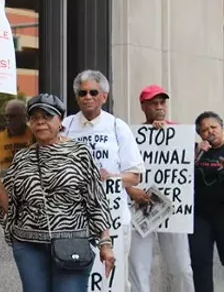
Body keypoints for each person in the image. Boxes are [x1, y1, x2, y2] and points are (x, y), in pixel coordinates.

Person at [0, 93, 114, 292]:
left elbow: (96, 201)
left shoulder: (79, 153)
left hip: (72, 244)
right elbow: (10, 206)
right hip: (29, 246)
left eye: (47, 116)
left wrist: (105, 243)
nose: (41, 122)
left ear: (60, 120)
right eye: (34, 118)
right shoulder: (22, 158)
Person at [61, 70, 143, 292]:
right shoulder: (64, 126)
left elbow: (135, 175)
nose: (87, 97)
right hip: (74, 217)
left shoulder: (118, 127)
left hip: (113, 216)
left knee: (113, 279)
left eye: (93, 92)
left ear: (104, 97)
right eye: (82, 92)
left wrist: (112, 178)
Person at [127, 85, 194, 292]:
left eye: (162, 102)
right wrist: (131, 191)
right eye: (153, 103)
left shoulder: (178, 132)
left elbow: (187, 165)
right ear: (143, 106)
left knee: (182, 268)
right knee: (138, 269)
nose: (159, 107)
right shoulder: (132, 136)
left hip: (173, 208)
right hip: (139, 207)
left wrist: (170, 133)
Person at [189, 111, 224, 292]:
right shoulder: (196, 152)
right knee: (200, 264)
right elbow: (182, 176)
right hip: (200, 217)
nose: (210, 132)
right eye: (204, 130)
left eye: (214, 127)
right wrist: (196, 155)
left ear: (222, 128)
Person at [0, 99, 33, 170]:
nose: (8, 119)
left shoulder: (34, 136)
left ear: (24, 117)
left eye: (12, 116)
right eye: (6, 116)